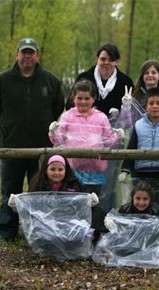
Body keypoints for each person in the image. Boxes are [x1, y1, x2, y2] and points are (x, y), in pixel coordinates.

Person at [0, 37, 65, 241]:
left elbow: (57, 108)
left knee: (40, 192)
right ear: (17, 54)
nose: (27, 56)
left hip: (42, 148)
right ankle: (8, 231)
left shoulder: (51, 81)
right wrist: (7, 127)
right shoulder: (1, 82)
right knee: (10, 191)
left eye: (31, 52)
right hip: (12, 147)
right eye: (24, 52)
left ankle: (39, 231)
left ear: (37, 56)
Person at [49, 79, 123, 240]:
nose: (83, 101)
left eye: (87, 98)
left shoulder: (101, 117)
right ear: (73, 98)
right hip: (73, 170)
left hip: (96, 171)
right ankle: (74, 235)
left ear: (93, 99)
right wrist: (53, 131)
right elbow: (58, 140)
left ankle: (94, 235)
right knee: (75, 202)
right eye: (80, 98)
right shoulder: (67, 116)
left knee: (95, 202)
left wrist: (117, 137)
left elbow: (108, 140)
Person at [66, 43, 134, 118]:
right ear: (97, 59)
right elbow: (69, 105)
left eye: (111, 60)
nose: (106, 63)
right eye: (103, 59)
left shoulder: (126, 82)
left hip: (115, 128)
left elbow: (132, 112)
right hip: (86, 126)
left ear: (116, 62)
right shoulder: (84, 78)